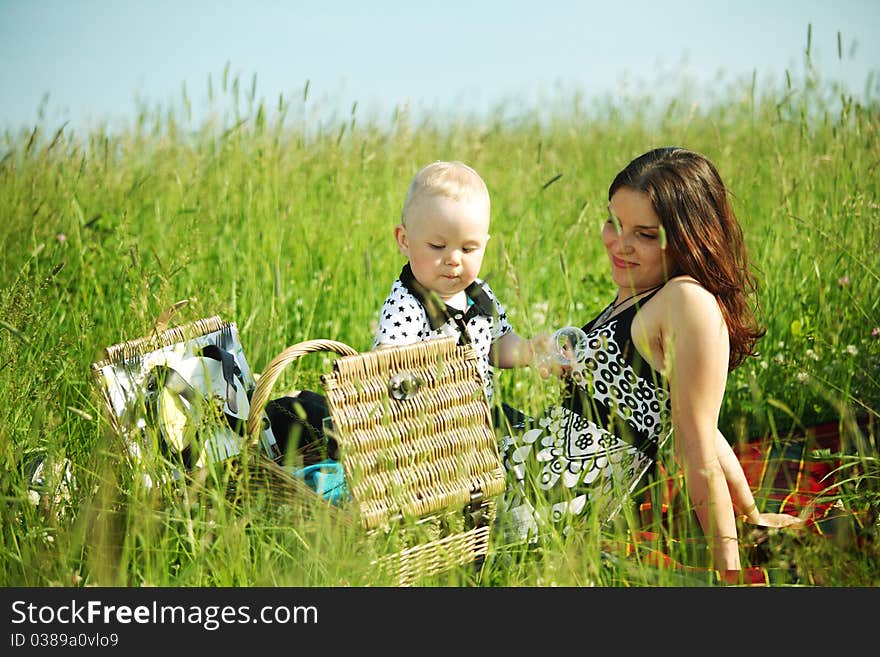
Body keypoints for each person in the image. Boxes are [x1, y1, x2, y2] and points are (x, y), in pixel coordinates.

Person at [497, 146, 803, 576]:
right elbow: (699, 423)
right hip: (529, 466)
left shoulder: (684, 300)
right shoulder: (639, 293)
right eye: (615, 224)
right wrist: (751, 514)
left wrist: (731, 573)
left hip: (544, 499)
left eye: (644, 234)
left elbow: (695, 443)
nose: (619, 244)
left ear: (688, 238)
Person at [373, 160, 545, 415]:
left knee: (525, 430)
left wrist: (530, 350)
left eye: (468, 249)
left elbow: (497, 344)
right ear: (405, 240)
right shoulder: (408, 304)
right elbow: (387, 362)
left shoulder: (479, 294)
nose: (454, 259)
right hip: (432, 425)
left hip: (480, 416)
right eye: (437, 247)